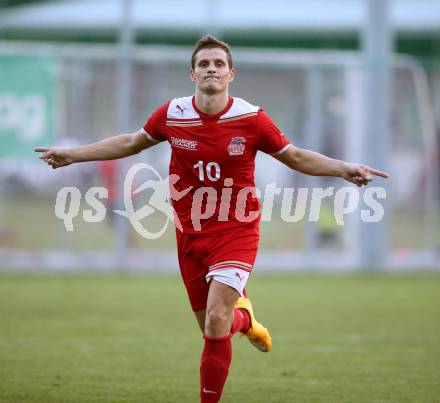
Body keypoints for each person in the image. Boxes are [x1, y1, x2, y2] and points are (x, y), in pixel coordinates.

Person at [35, 35, 388, 402]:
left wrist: (344, 169)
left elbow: (295, 156)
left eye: (219, 64)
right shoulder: (173, 114)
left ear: (230, 73)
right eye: (204, 64)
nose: (211, 70)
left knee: (218, 317)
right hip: (189, 233)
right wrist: (73, 155)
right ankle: (246, 319)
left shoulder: (251, 119)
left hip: (236, 229)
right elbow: (130, 143)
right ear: (192, 74)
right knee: (212, 326)